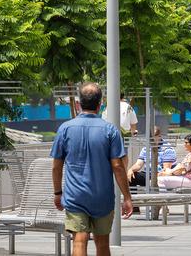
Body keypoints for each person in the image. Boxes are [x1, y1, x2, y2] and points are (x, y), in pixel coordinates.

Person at [51, 82, 133, 256]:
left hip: (75, 196)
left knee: (79, 241)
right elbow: (118, 166)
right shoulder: (110, 130)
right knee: (102, 243)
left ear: (78, 104)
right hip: (102, 197)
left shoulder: (65, 129)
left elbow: (56, 166)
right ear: (100, 103)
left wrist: (58, 193)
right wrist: (127, 197)